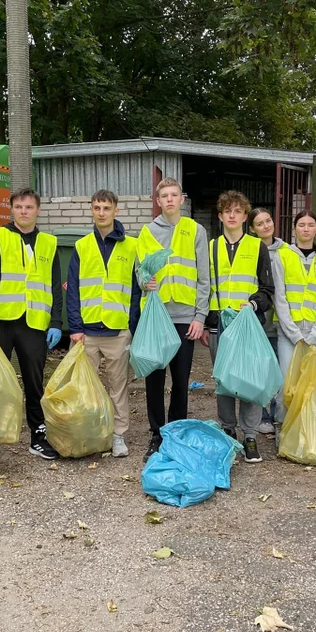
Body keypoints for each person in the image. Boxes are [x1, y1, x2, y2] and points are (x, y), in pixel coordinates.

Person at [0, 186, 63, 462]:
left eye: (29, 207)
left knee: (34, 384)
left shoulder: (49, 242)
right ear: (11, 210)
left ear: (37, 210)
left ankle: (38, 438)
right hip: (1, 321)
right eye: (18, 207)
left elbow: (55, 287)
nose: (23, 211)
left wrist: (57, 322)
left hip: (35, 323)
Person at [136, 177, 210, 461]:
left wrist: (200, 316)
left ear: (182, 199)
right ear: (158, 201)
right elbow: (140, 272)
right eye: (164, 195)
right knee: (154, 378)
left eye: (174, 195)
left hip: (185, 318)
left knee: (180, 380)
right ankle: (157, 433)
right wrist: (145, 281)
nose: (169, 199)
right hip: (157, 316)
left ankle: (175, 432)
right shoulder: (147, 232)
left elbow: (204, 277)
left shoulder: (195, 230)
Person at [66, 189, 141, 458]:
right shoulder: (82, 246)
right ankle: (89, 433)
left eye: (106, 208)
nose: (101, 213)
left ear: (116, 211)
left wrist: (132, 326)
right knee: (85, 387)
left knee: (118, 387)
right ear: (91, 209)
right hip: (86, 331)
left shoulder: (131, 246)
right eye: (97, 207)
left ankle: (118, 435)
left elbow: (136, 290)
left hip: (117, 331)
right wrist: (74, 327)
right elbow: (72, 289)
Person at [203, 191, 274, 463]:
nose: (232, 216)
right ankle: (227, 429)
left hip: (247, 325)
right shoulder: (210, 247)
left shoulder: (258, 247)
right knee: (223, 380)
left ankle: (251, 435)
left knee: (249, 380)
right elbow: (204, 286)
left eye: (238, 211)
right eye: (227, 211)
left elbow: (267, 289)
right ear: (220, 216)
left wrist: (254, 304)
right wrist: (205, 318)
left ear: (246, 216)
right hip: (218, 323)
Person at [271, 209, 316, 428]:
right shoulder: (283, 256)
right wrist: (293, 333)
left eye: (311, 225)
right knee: (286, 383)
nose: (306, 229)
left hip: (315, 334)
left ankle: (306, 431)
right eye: (302, 225)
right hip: (289, 334)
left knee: (310, 383)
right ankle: (284, 429)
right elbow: (279, 296)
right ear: (294, 228)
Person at [248, 207, 285, 433]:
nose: (265, 226)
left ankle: (277, 414)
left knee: (278, 370)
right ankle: (261, 417)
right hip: (259, 319)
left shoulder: (286, 251)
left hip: (280, 321)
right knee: (260, 369)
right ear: (252, 228)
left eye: (268, 220)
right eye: (259, 223)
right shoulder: (250, 250)